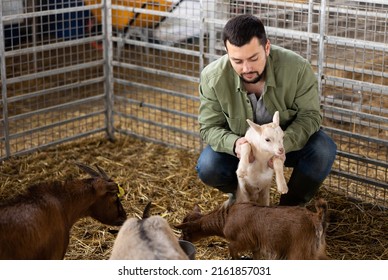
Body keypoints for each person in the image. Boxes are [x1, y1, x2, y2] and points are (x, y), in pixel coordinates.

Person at [196, 14, 337, 206]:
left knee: (323, 149)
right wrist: (236, 144)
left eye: (253, 58)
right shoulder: (212, 77)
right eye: (237, 61)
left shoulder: (297, 69)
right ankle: (242, 194)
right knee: (208, 166)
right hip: (245, 152)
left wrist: (283, 144)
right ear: (227, 54)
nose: (246, 68)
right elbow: (209, 127)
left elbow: (310, 116)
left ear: (267, 48)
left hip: (284, 144)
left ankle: (291, 207)